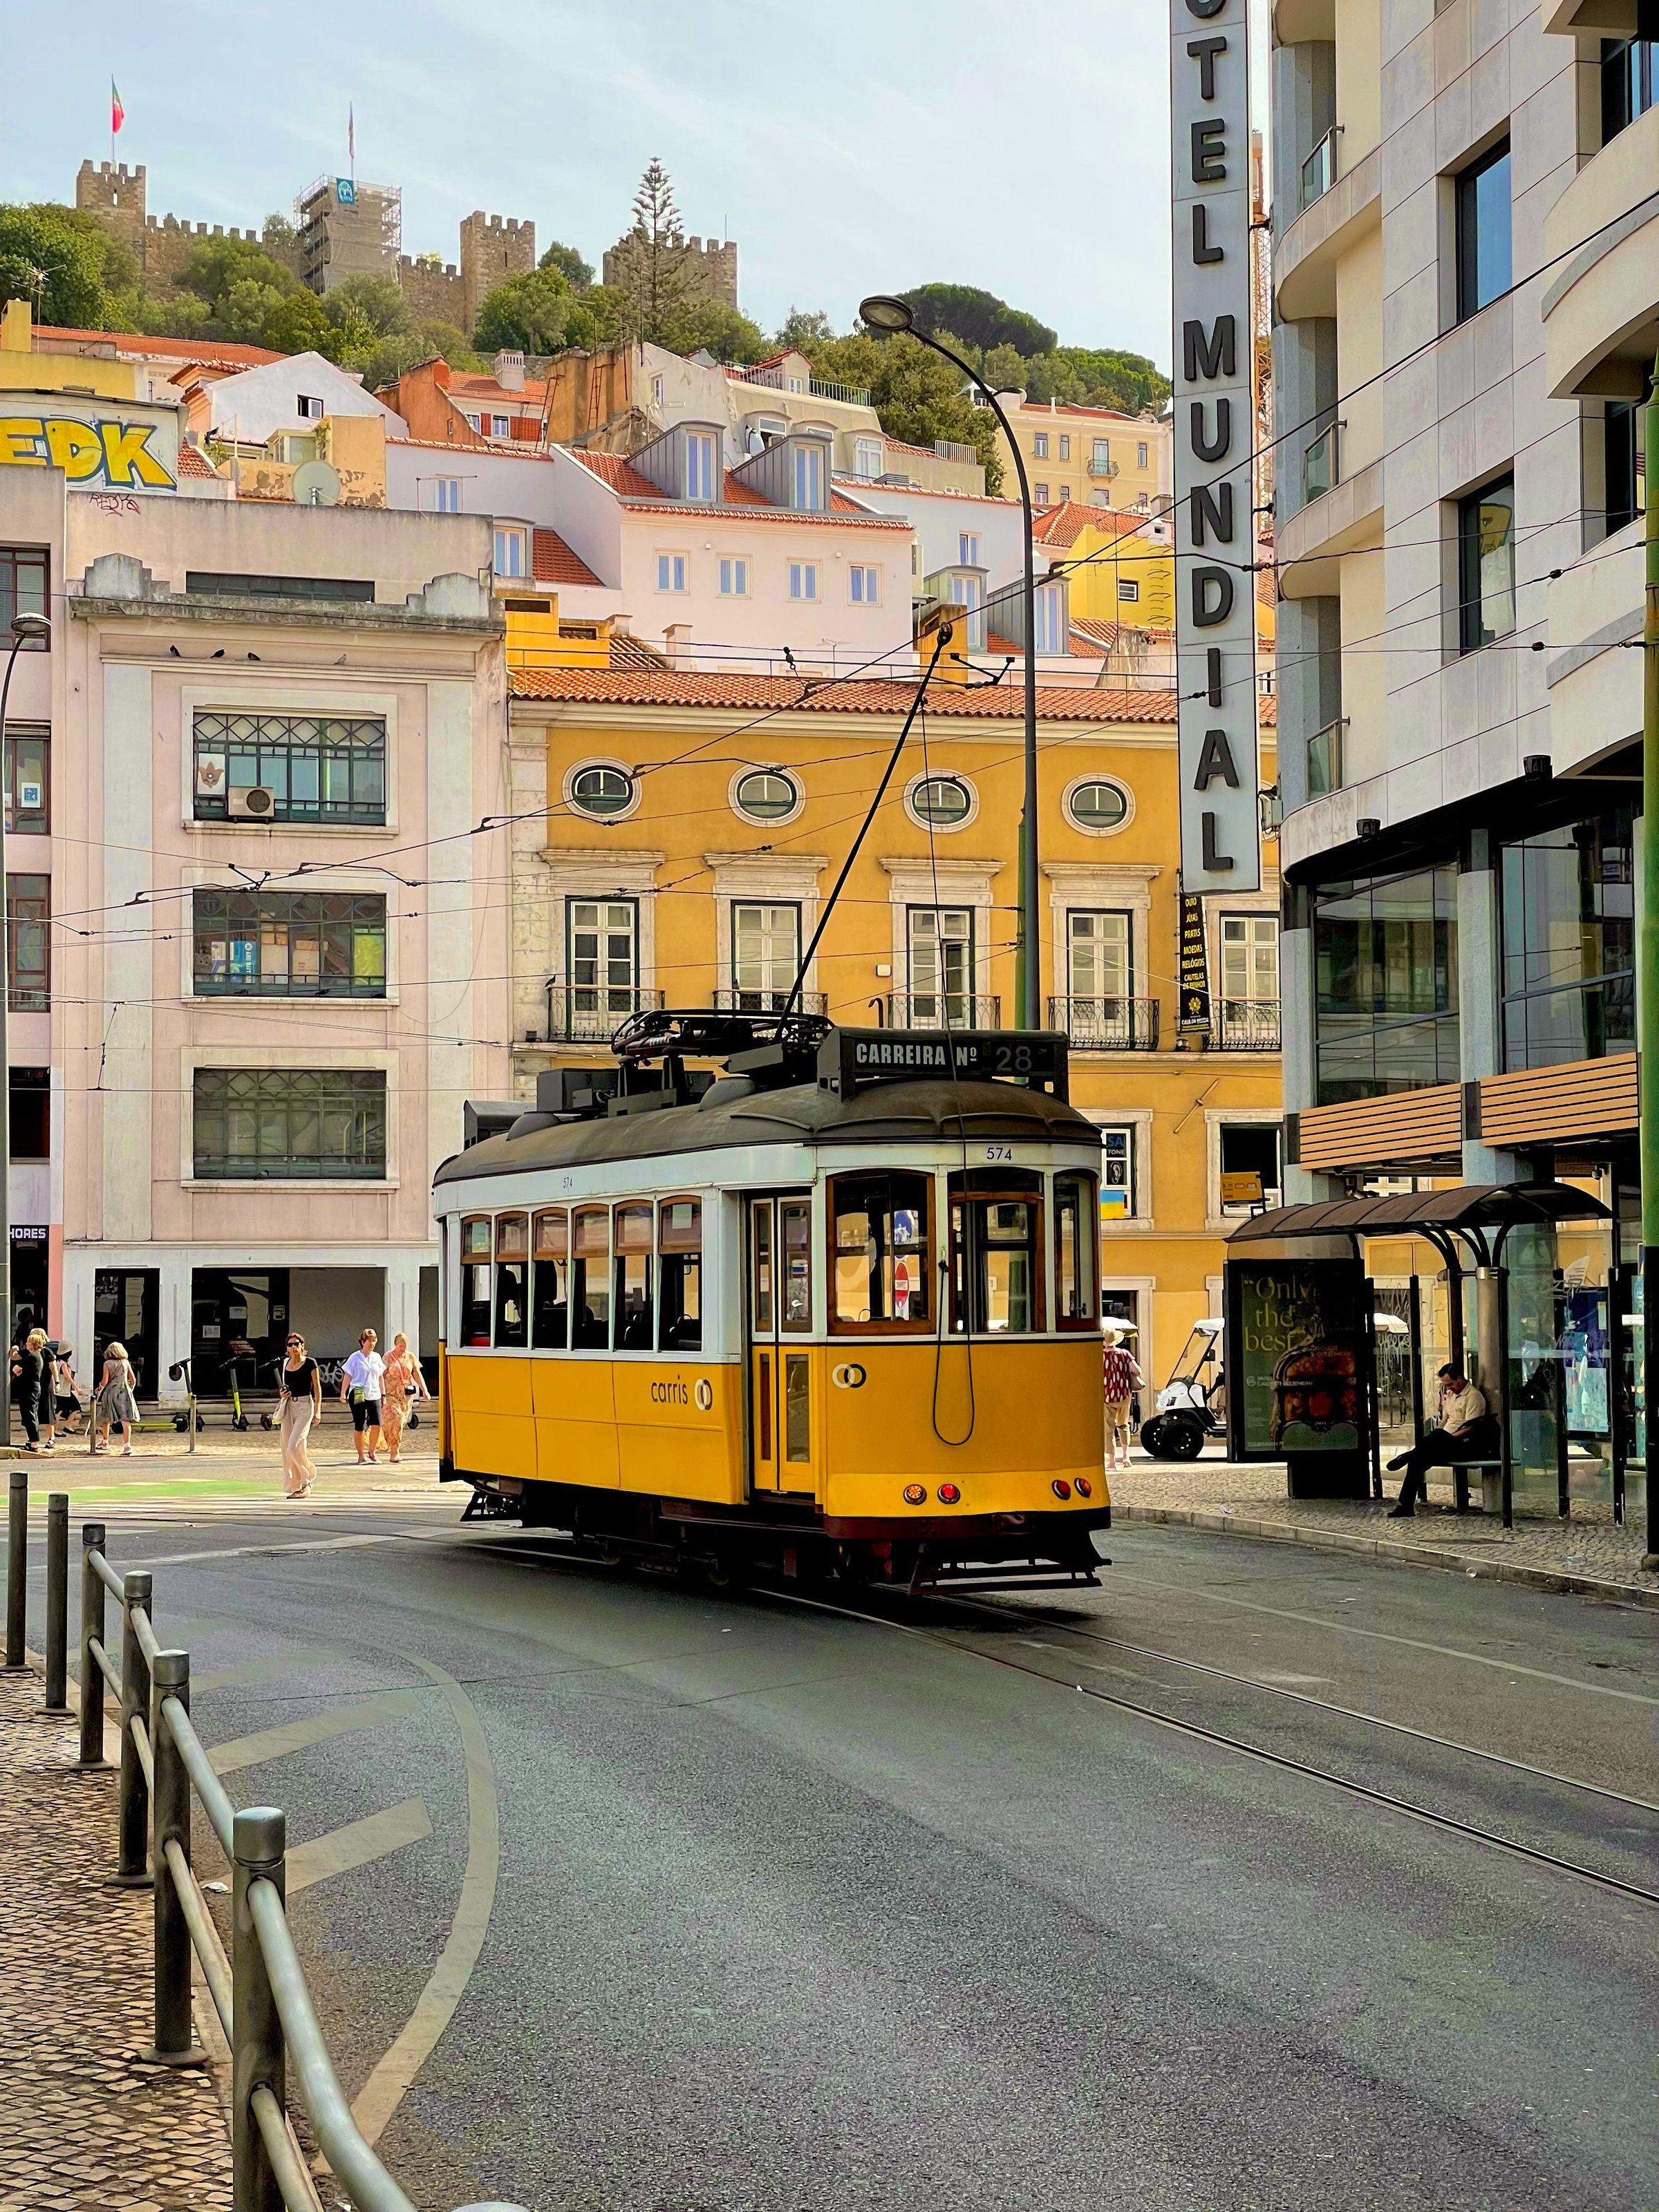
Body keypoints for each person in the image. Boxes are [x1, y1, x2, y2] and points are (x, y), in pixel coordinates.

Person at [1385, 1364, 1497, 1517]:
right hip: (1444, 1444)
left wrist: (1446, 1438)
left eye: (1450, 1384)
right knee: (1418, 1460)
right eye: (1446, 1385)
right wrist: (1438, 1434)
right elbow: (1444, 1420)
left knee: (1433, 1441)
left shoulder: (1474, 1397)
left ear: (1460, 1378)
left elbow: (1472, 1428)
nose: (1449, 1388)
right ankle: (1405, 1505)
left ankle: (1406, 1456)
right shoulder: (1451, 1395)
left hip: (1464, 1444)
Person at [278, 1332, 322, 1498]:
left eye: (297, 1344)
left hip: (305, 1406)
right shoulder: (285, 1364)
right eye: (290, 1344)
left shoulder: (310, 1363)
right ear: (287, 1348)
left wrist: (318, 1410)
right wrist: (282, 1393)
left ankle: (308, 1478)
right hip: (289, 1406)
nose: (294, 1347)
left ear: (302, 1346)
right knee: (288, 1448)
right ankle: (298, 1484)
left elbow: (317, 1388)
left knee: (294, 1445)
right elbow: (284, 1385)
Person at [378, 1333, 429, 1463]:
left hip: (405, 1397)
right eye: (401, 1346)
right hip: (390, 1395)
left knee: (399, 1423)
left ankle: (393, 1449)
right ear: (396, 1345)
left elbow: (417, 1374)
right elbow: (380, 1375)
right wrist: (380, 1393)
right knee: (396, 1418)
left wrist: (425, 1390)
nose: (403, 1349)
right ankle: (394, 1451)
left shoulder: (411, 1357)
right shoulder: (388, 1357)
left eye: (405, 1346)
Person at [339, 1328, 386, 1465]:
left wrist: (384, 1394)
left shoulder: (377, 1357)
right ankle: (361, 1455)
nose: (371, 1343)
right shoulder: (355, 1357)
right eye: (368, 1341)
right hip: (358, 1390)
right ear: (362, 1342)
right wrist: (343, 1393)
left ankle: (372, 1452)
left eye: (373, 1341)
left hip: (374, 1392)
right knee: (360, 1424)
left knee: (377, 1423)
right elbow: (348, 1375)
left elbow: (380, 1376)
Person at [1100, 1324, 1143, 1473]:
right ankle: (1126, 1458)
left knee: (1108, 1430)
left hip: (1106, 1397)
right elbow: (1137, 1371)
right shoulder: (1125, 1354)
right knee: (1124, 1425)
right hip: (1124, 1396)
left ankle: (1112, 1463)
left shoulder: (1099, 1355)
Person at [95, 1341, 139, 1456]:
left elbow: (105, 1381)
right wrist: (130, 1390)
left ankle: (105, 1442)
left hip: (111, 1392)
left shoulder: (107, 1364)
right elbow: (133, 1380)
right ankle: (127, 1446)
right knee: (126, 1420)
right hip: (124, 1391)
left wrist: (99, 1388)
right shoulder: (126, 1363)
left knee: (106, 1417)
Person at [11, 1327, 49, 1452]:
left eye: (28, 1342)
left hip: (30, 1389)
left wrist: (18, 1371)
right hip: (31, 1387)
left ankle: (34, 1444)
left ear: (33, 1344)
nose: (26, 1343)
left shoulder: (32, 1357)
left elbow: (16, 1369)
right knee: (30, 1414)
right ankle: (32, 1441)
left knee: (30, 1414)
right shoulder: (36, 1357)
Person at [52, 1344, 84, 1435]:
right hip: (64, 1392)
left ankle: (63, 1428)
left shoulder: (57, 1362)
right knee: (74, 1407)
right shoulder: (63, 1364)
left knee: (62, 1409)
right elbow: (68, 1377)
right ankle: (60, 1429)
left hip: (61, 1390)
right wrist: (77, 1388)